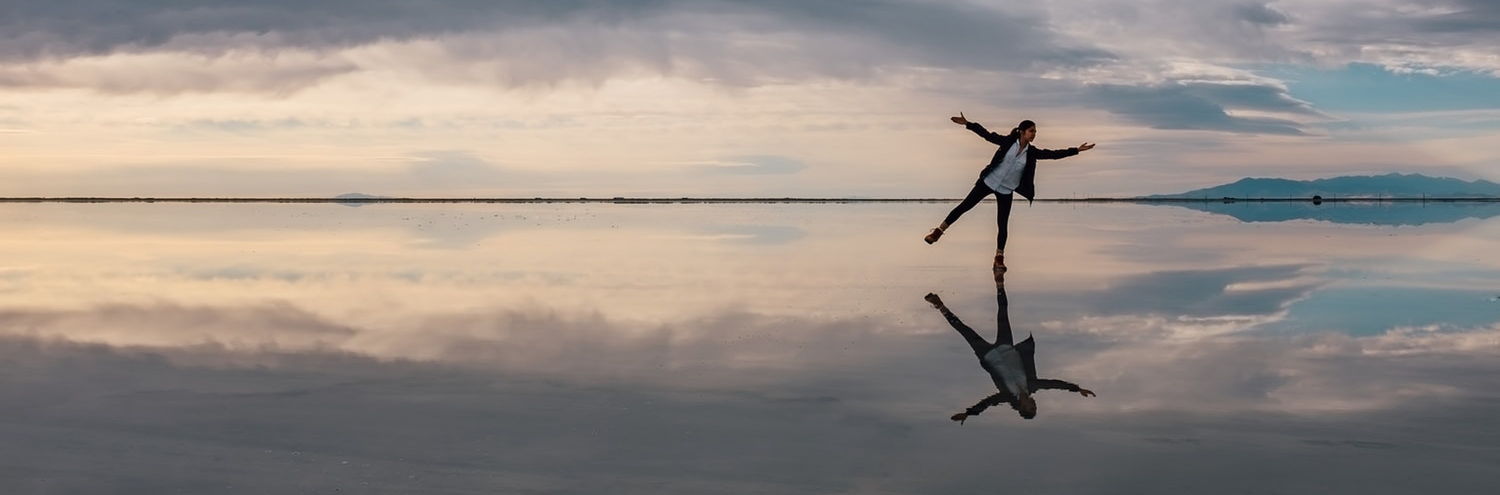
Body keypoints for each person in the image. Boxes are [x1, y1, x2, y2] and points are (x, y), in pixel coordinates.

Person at [924, 113, 1095, 273]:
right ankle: (938, 232)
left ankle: (999, 258)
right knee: (964, 206)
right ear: (1022, 131)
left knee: (1002, 224)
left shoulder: (1032, 153)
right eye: (1031, 131)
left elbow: (1053, 155)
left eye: (1035, 131)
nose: (1034, 134)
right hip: (989, 181)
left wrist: (1076, 150)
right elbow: (987, 135)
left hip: (1006, 189)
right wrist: (968, 124)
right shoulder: (1007, 143)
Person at [924, 287, 1094, 421]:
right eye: (1035, 407)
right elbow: (1053, 384)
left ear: (1021, 407)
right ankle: (1000, 282)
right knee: (1003, 312)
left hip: (989, 356)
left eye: (1031, 408)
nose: (1034, 405)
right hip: (1007, 347)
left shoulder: (1006, 395)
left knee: (964, 330)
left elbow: (988, 402)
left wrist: (969, 413)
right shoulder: (1033, 385)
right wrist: (1076, 388)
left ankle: (940, 306)